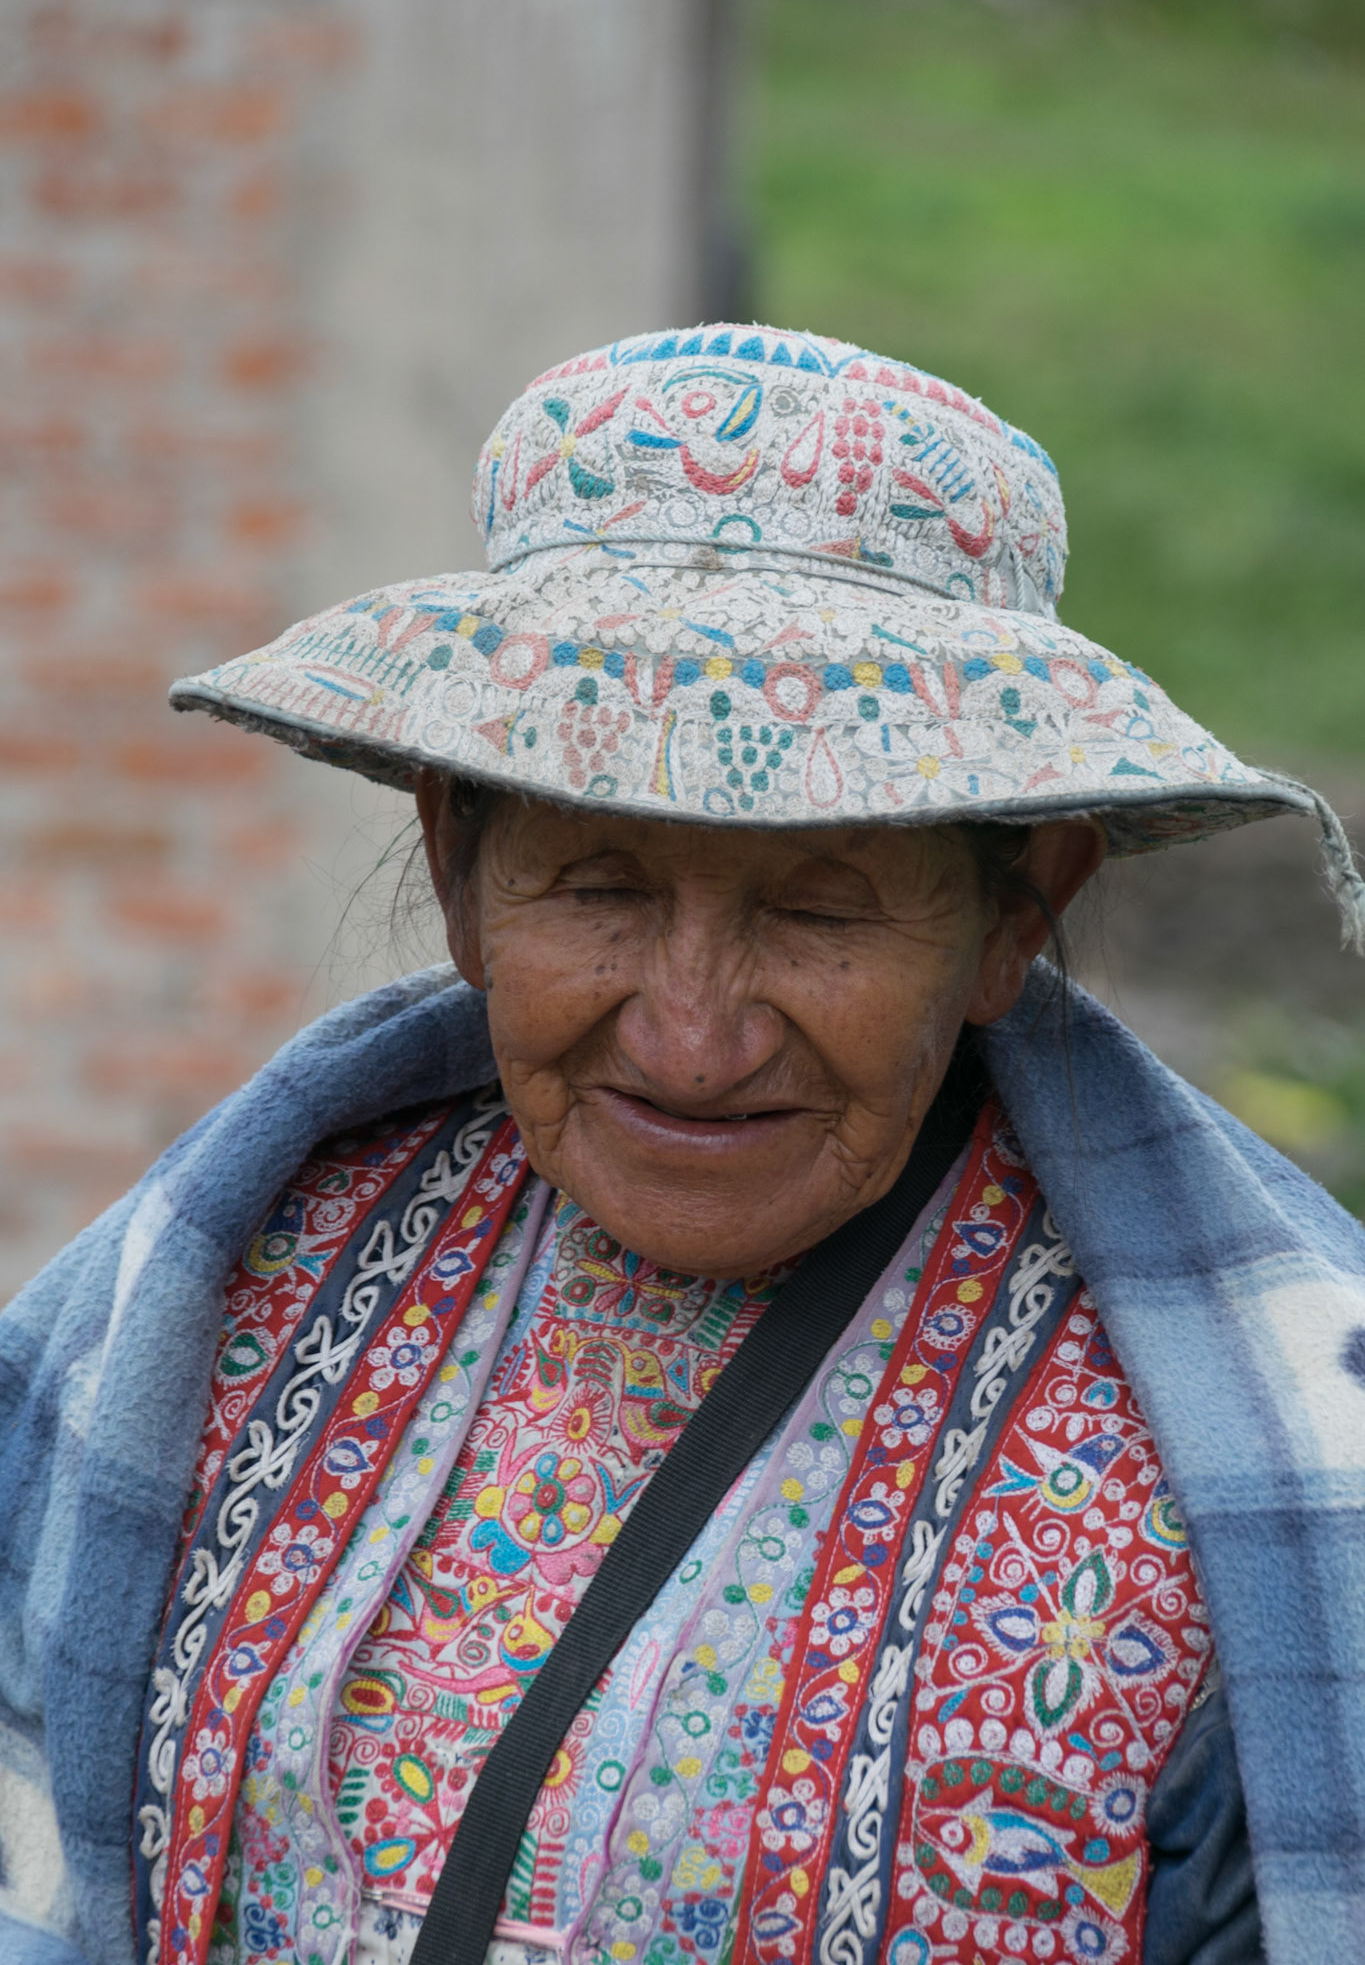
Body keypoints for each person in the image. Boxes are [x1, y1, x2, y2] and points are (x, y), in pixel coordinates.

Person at [2, 325, 1362, 1965]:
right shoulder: (212, 1297)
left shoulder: (1261, 1470)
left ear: (1019, 911)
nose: (692, 1033)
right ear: (456, 868)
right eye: (599, 887)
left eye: (818, 907)